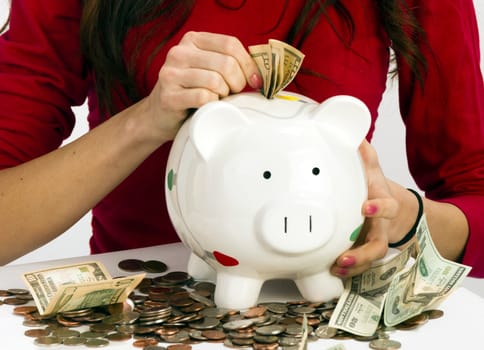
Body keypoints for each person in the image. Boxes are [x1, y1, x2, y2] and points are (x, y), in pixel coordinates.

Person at [0, 0, 482, 282]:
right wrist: (145, 120)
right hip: (142, 310)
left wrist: (403, 217)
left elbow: (476, 198)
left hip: (326, 300)